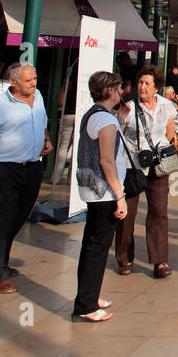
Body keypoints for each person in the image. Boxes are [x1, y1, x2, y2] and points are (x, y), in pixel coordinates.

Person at [0, 62, 52, 293]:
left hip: (32, 167)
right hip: (5, 169)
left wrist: (45, 139)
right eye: (28, 81)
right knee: (3, 221)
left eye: (35, 79)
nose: (34, 84)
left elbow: (42, 121)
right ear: (13, 82)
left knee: (18, 218)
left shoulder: (37, 97)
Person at [72, 71, 126, 322]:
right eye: (119, 88)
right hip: (103, 191)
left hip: (91, 187)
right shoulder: (105, 120)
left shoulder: (93, 115)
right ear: (110, 90)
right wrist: (120, 194)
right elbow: (107, 161)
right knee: (97, 247)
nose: (122, 92)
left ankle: (89, 296)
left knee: (92, 245)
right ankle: (86, 305)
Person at [115, 67, 176, 279]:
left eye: (147, 84)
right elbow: (119, 134)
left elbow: (170, 131)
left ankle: (160, 261)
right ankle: (124, 258)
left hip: (157, 166)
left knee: (159, 211)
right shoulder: (128, 108)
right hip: (132, 165)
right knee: (127, 214)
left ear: (157, 87)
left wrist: (160, 149)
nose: (142, 87)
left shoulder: (167, 106)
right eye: (140, 83)